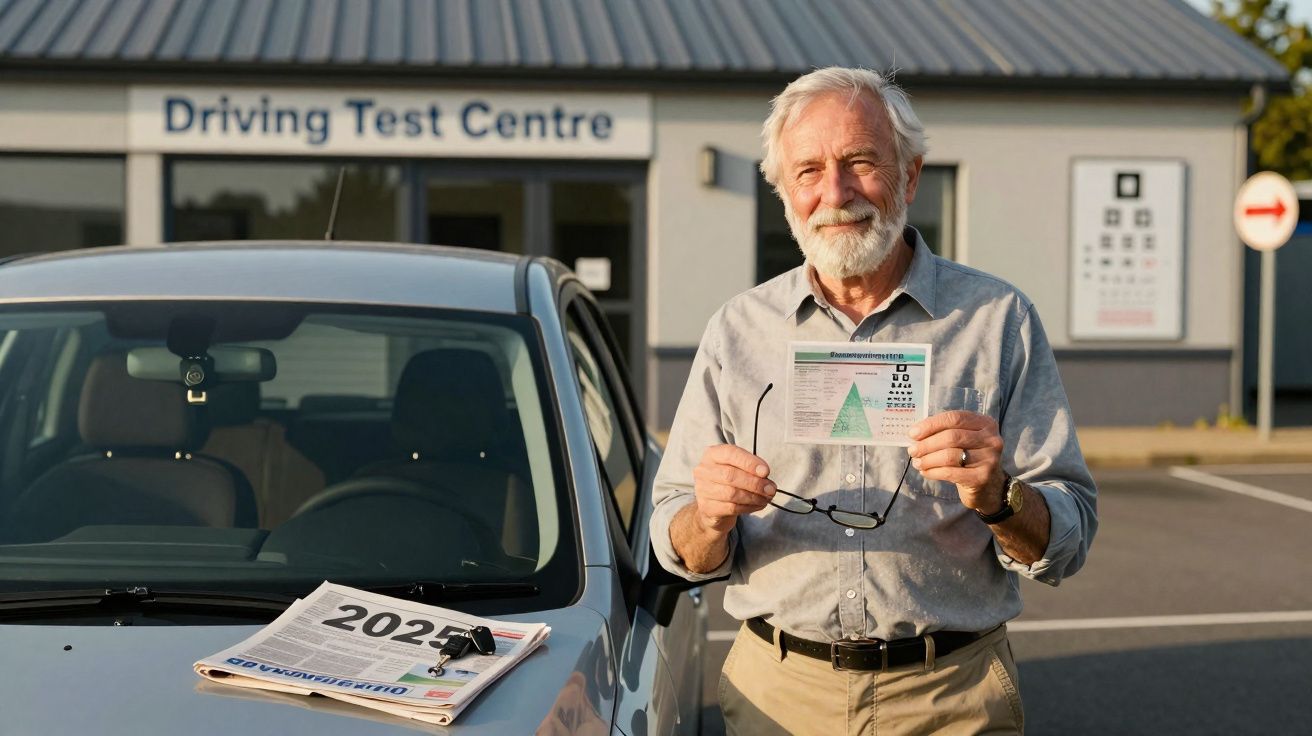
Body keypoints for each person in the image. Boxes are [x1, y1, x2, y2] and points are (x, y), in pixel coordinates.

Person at [650, 67, 1098, 735]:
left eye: (860, 161)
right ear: (783, 192)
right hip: (780, 694)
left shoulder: (997, 319)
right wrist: (708, 517)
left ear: (910, 176)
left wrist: (1001, 497)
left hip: (954, 698)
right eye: (808, 171)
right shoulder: (738, 331)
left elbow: (1070, 534)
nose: (835, 192)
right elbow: (672, 541)